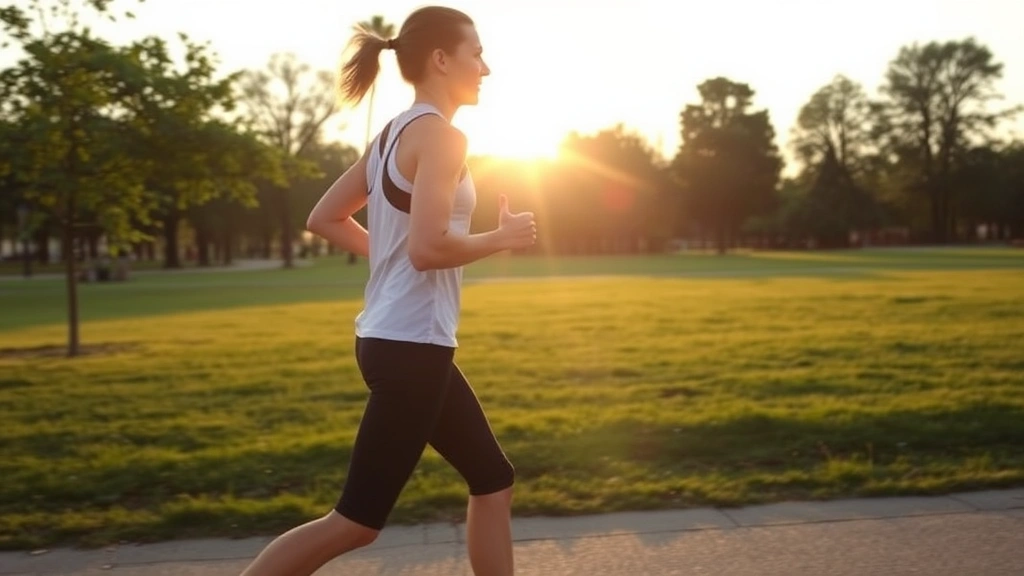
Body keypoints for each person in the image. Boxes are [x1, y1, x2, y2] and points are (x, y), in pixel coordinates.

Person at [239, 6, 536, 576]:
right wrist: (500, 238)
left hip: (396, 340)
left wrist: (393, 257)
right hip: (410, 349)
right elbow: (427, 249)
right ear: (441, 59)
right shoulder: (443, 137)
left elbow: (325, 217)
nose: (486, 68)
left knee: (493, 480)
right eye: (477, 54)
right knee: (356, 521)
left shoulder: (392, 135)